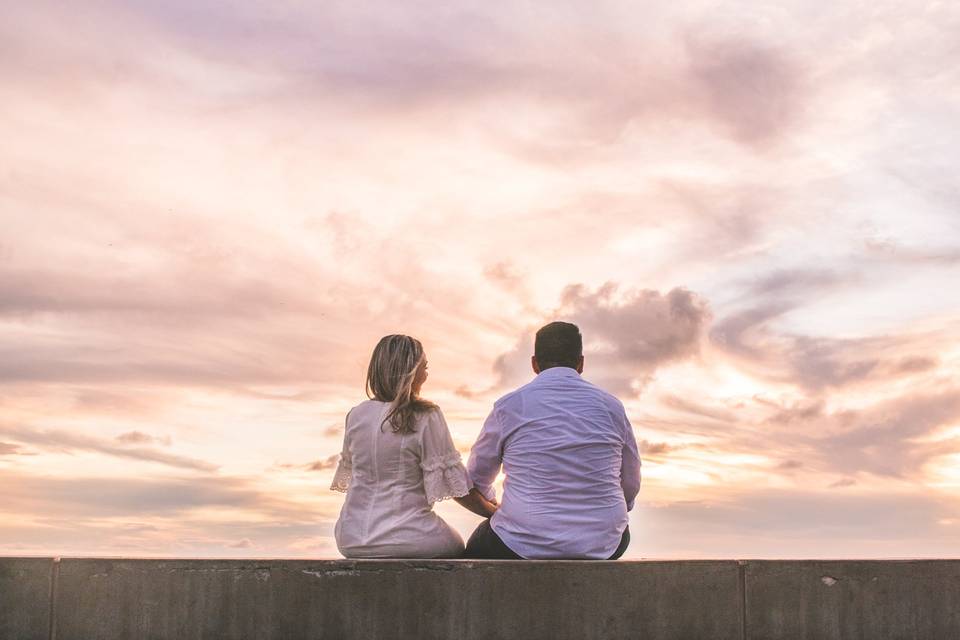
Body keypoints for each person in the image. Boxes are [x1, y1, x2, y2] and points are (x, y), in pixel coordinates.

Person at [464, 321, 641, 559]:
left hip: (522, 539)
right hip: (605, 542)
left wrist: (499, 508)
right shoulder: (612, 407)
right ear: (581, 363)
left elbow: (476, 478)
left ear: (535, 364)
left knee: (476, 545)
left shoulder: (510, 406)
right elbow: (630, 480)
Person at [331, 334, 497, 558]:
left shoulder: (356, 415)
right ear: (411, 371)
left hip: (351, 538)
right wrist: (494, 512)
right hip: (408, 536)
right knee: (458, 544)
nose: (426, 374)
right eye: (424, 367)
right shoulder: (426, 414)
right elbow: (455, 486)